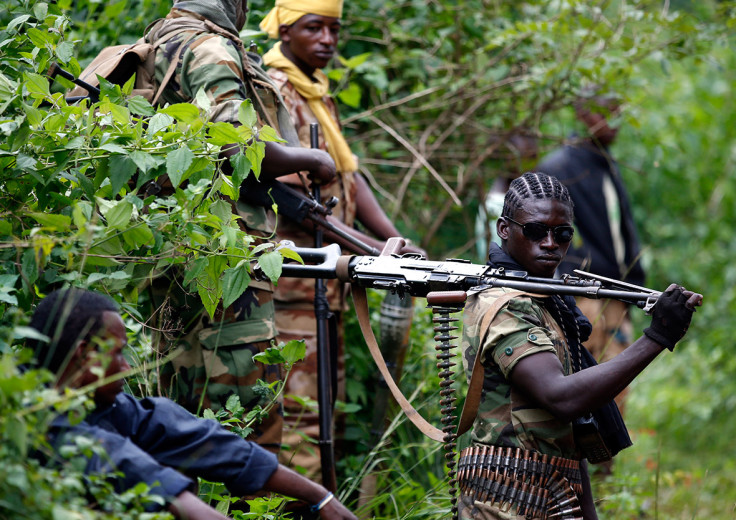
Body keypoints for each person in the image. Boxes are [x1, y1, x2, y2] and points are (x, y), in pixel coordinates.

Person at [141, 0, 338, 454]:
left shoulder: (160, 39)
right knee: (249, 411)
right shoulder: (210, 48)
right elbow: (237, 146)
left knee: (179, 404)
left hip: (170, 249)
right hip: (226, 262)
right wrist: (313, 158)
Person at [458, 172, 702, 519]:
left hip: (552, 496)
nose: (550, 243)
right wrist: (656, 339)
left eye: (562, 234)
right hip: (501, 503)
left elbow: (569, 433)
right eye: (535, 230)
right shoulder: (504, 304)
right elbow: (563, 398)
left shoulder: (546, 300)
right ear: (504, 229)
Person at [258, 0, 422, 479]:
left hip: (328, 282)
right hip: (294, 280)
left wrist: (394, 241)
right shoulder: (278, 89)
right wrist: (368, 250)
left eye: (334, 29)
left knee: (325, 405)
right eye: (314, 27)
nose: (328, 39)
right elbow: (289, 195)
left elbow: (349, 178)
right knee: (298, 409)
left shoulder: (314, 90)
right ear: (285, 32)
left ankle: (322, 497)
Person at [28, 288, 358, 520]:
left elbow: (200, 438)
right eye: (117, 353)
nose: (127, 367)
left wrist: (321, 497)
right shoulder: (36, 418)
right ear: (84, 354)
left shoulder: (96, 403)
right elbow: (135, 470)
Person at [535, 92, 644, 418]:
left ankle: (604, 465)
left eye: (618, 111)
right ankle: (581, 464)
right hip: (583, 296)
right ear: (582, 114)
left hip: (614, 294)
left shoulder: (604, 162)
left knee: (616, 382)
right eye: (605, 112)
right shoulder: (561, 167)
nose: (614, 121)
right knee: (584, 380)